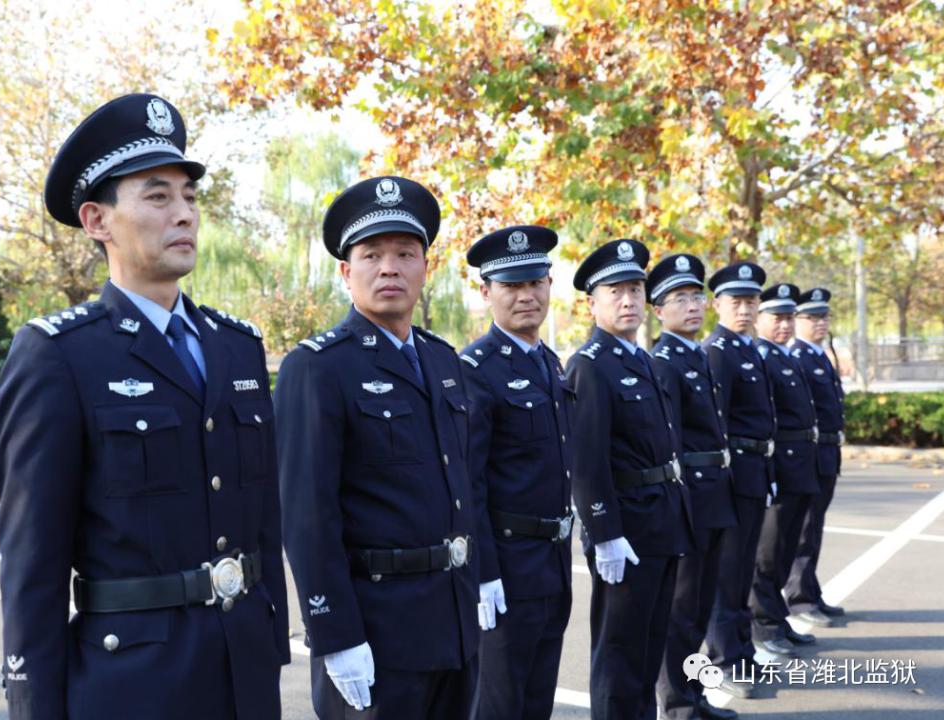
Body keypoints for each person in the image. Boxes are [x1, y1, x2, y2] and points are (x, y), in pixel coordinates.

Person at [0, 94, 290, 720]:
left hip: (244, 673)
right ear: (98, 220)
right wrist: (31, 701)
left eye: (189, 196)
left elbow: (263, 515)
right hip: (133, 682)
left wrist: (271, 637)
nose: (183, 213)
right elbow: (33, 559)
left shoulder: (237, 347)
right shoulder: (59, 355)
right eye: (157, 197)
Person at [274, 177, 480, 719]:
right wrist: (335, 636)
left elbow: (460, 483)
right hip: (376, 631)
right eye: (372, 255)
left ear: (424, 269)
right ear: (347, 273)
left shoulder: (443, 361)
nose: (390, 268)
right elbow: (307, 518)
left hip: (452, 621)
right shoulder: (318, 368)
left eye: (405, 254)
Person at [566, 238, 694, 720]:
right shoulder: (590, 366)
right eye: (615, 291)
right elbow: (587, 462)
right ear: (592, 303)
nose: (628, 301)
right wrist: (605, 535)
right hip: (628, 530)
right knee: (619, 653)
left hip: (661, 520)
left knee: (648, 645)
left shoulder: (641, 359)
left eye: (636, 290)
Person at [461, 225, 574, 720]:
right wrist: (484, 573)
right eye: (511, 286)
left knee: (537, 698)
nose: (526, 296)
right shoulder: (475, 369)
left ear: (550, 285)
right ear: (487, 293)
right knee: (500, 703)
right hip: (507, 566)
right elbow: (470, 483)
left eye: (535, 283)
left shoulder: (549, 363)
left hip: (553, 560)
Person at [648, 255, 738, 720]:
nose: (691, 306)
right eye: (678, 299)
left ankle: (694, 692)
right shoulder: (663, 362)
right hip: (691, 498)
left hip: (715, 493)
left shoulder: (697, 355)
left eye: (695, 296)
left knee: (701, 605)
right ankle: (677, 701)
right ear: (658, 311)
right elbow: (672, 441)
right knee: (682, 608)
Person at [702, 262, 775, 699]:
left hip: (755, 471)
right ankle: (725, 658)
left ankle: (743, 650)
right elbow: (718, 423)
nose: (746, 309)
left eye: (751, 301)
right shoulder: (718, 351)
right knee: (727, 573)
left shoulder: (747, 348)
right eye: (737, 302)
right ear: (718, 305)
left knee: (743, 567)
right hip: (733, 474)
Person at [748, 283, 820, 657]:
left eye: (790, 316)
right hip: (778, 462)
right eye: (777, 317)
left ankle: (776, 616)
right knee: (768, 551)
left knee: (787, 544)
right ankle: (763, 624)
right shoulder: (761, 356)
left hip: (798, 463)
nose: (785, 324)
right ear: (760, 319)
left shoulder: (784, 356)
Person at [783, 288, 847, 625]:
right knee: (804, 530)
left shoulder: (819, 355)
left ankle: (811, 591)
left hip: (826, 452)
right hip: (810, 452)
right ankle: (799, 598)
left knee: (815, 527)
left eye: (824, 316)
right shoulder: (798, 356)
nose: (820, 323)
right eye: (812, 317)